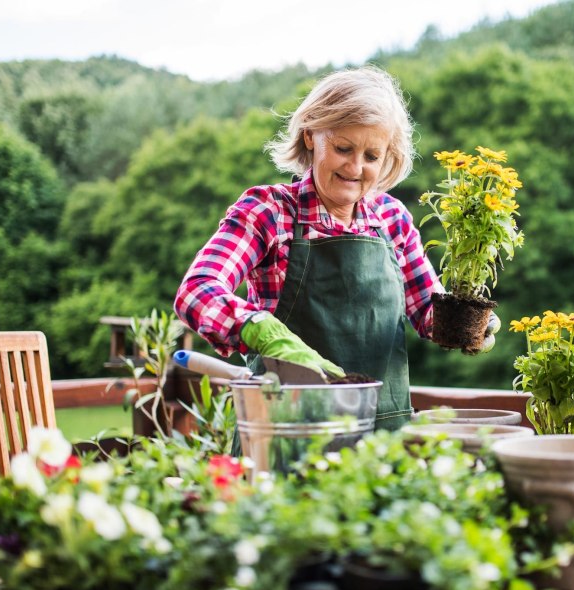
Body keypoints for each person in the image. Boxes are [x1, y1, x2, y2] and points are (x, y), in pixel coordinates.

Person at [174, 65, 499, 431]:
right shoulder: (269, 213)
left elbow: (426, 311)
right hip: (288, 431)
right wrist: (259, 330)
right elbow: (196, 292)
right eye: (343, 148)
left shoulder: (391, 219)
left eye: (372, 156)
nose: (355, 167)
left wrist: (472, 324)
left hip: (382, 436)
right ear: (310, 135)